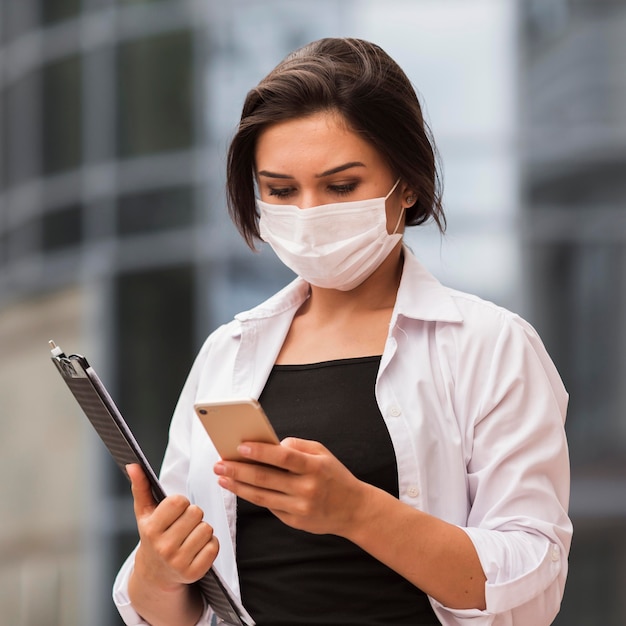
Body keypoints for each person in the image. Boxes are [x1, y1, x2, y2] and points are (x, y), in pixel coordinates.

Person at [113, 37, 572, 626]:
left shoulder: (492, 346)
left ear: (406, 184)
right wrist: (159, 567)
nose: (308, 214)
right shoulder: (228, 353)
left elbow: (533, 579)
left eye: (341, 186)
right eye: (280, 191)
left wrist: (355, 510)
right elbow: (170, 611)